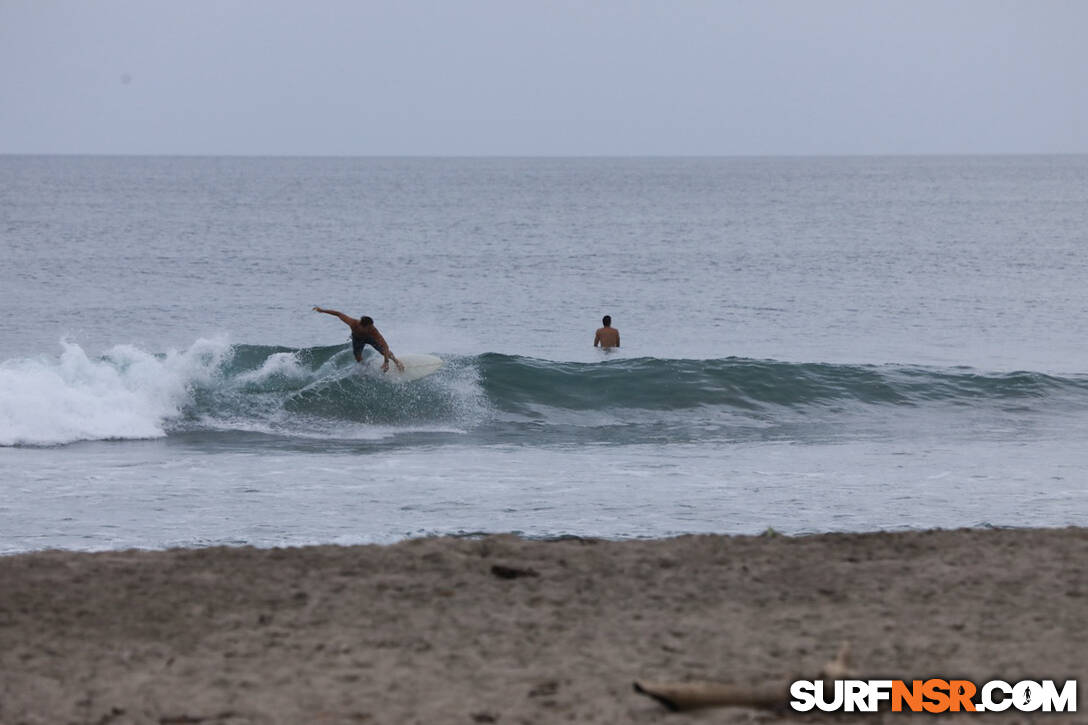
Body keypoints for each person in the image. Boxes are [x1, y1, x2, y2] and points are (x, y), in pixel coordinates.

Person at [313, 307, 405, 372]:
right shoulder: (353, 323)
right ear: (362, 325)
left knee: (383, 352)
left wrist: (386, 361)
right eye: (369, 327)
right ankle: (366, 370)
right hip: (357, 339)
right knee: (358, 358)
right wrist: (322, 310)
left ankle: (397, 362)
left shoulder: (373, 331)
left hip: (370, 338)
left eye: (372, 326)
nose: (372, 328)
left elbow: (385, 345)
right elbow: (338, 314)